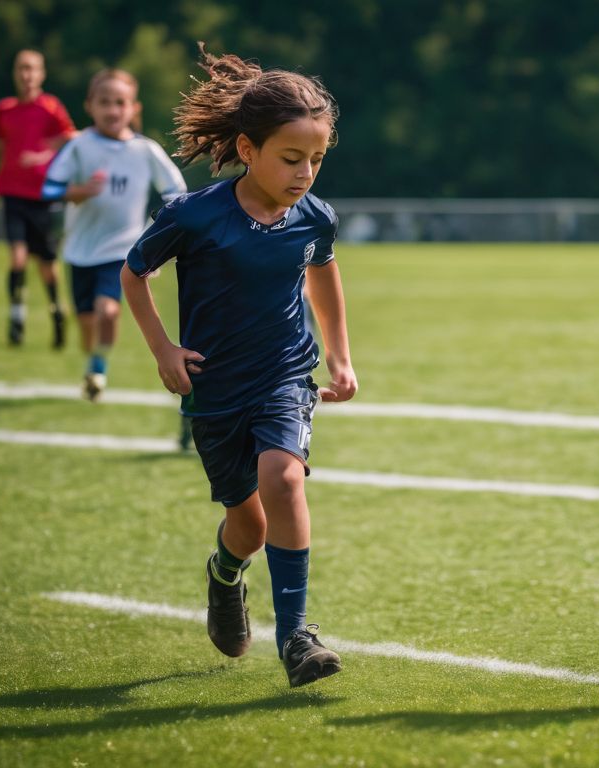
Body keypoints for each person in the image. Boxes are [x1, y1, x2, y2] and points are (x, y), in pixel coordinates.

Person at [121, 44, 357, 687]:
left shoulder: (314, 217)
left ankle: (297, 637)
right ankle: (225, 575)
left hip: (284, 375)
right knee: (247, 524)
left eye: (315, 159)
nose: (305, 172)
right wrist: (164, 350)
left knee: (284, 481)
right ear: (248, 150)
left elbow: (323, 273)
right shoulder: (194, 216)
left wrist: (339, 356)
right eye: (291, 158)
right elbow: (134, 274)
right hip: (214, 390)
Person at [42, 68, 187, 400]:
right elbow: (50, 188)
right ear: (89, 106)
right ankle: (92, 358)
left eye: (120, 102)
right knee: (88, 323)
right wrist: (76, 192)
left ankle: (98, 369)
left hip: (122, 250)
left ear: (133, 108)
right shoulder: (80, 146)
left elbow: (176, 195)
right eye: (104, 102)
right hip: (79, 250)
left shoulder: (145, 150)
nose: (112, 110)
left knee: (108, 311)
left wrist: (157, 242)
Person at [0, 49, 76, 348]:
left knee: (47, 265)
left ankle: (57, 312)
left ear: (41, 74)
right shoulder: (4, 109)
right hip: (11, 191)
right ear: (15, 74)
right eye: (21, 69)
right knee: (17, 257)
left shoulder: (51, 107)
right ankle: (16, 316)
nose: (26, 75)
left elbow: (71, 137)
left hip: (42, 195)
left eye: (32, 69)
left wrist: (42, 152)